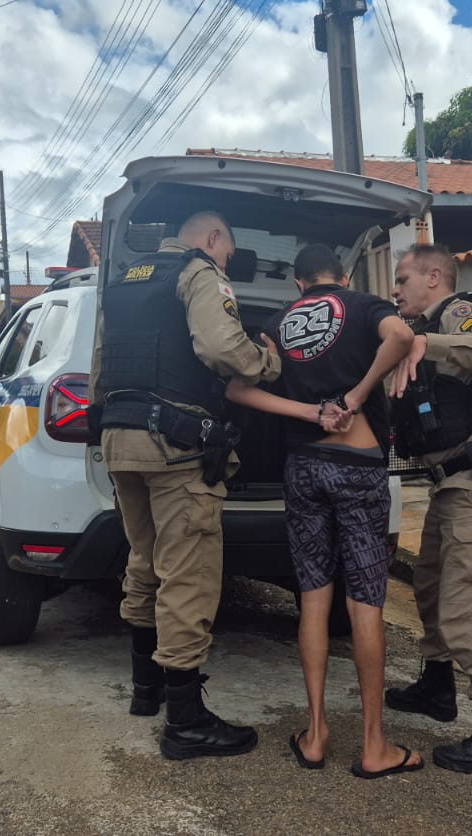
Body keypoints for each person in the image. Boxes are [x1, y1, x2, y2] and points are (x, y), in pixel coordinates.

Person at [223, 243, 422, 779]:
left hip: (303, 467)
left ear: (297, 285)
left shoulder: (276, 320)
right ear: (345, 274)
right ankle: (374, 746)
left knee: (313, 600)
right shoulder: (362, 305)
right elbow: (402, 336)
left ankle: (314, 735)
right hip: (357, 466)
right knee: (365, 604)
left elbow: (239, 389)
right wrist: (355, 397)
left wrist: (311, 412)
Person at [90, 210, 281, 761]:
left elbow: (102, 365)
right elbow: (222, 349)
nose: (224, 263)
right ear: (215, 238)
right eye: (227, 254)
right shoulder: (196, 272)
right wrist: (269, 363)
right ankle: (187, 722)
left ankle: (145, 692)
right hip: (174, 445)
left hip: (119, 439)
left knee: (144, 562)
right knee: (187, 574)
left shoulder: (125, 280)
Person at [383, 244, 472, 776]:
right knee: (429, 585)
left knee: (468, 605)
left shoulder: (462, 312)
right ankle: (437, 689)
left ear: (434, 276)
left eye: (403, 279)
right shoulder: (425, 330)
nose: (396, 290)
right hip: (449, 484)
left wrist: (421, 341)